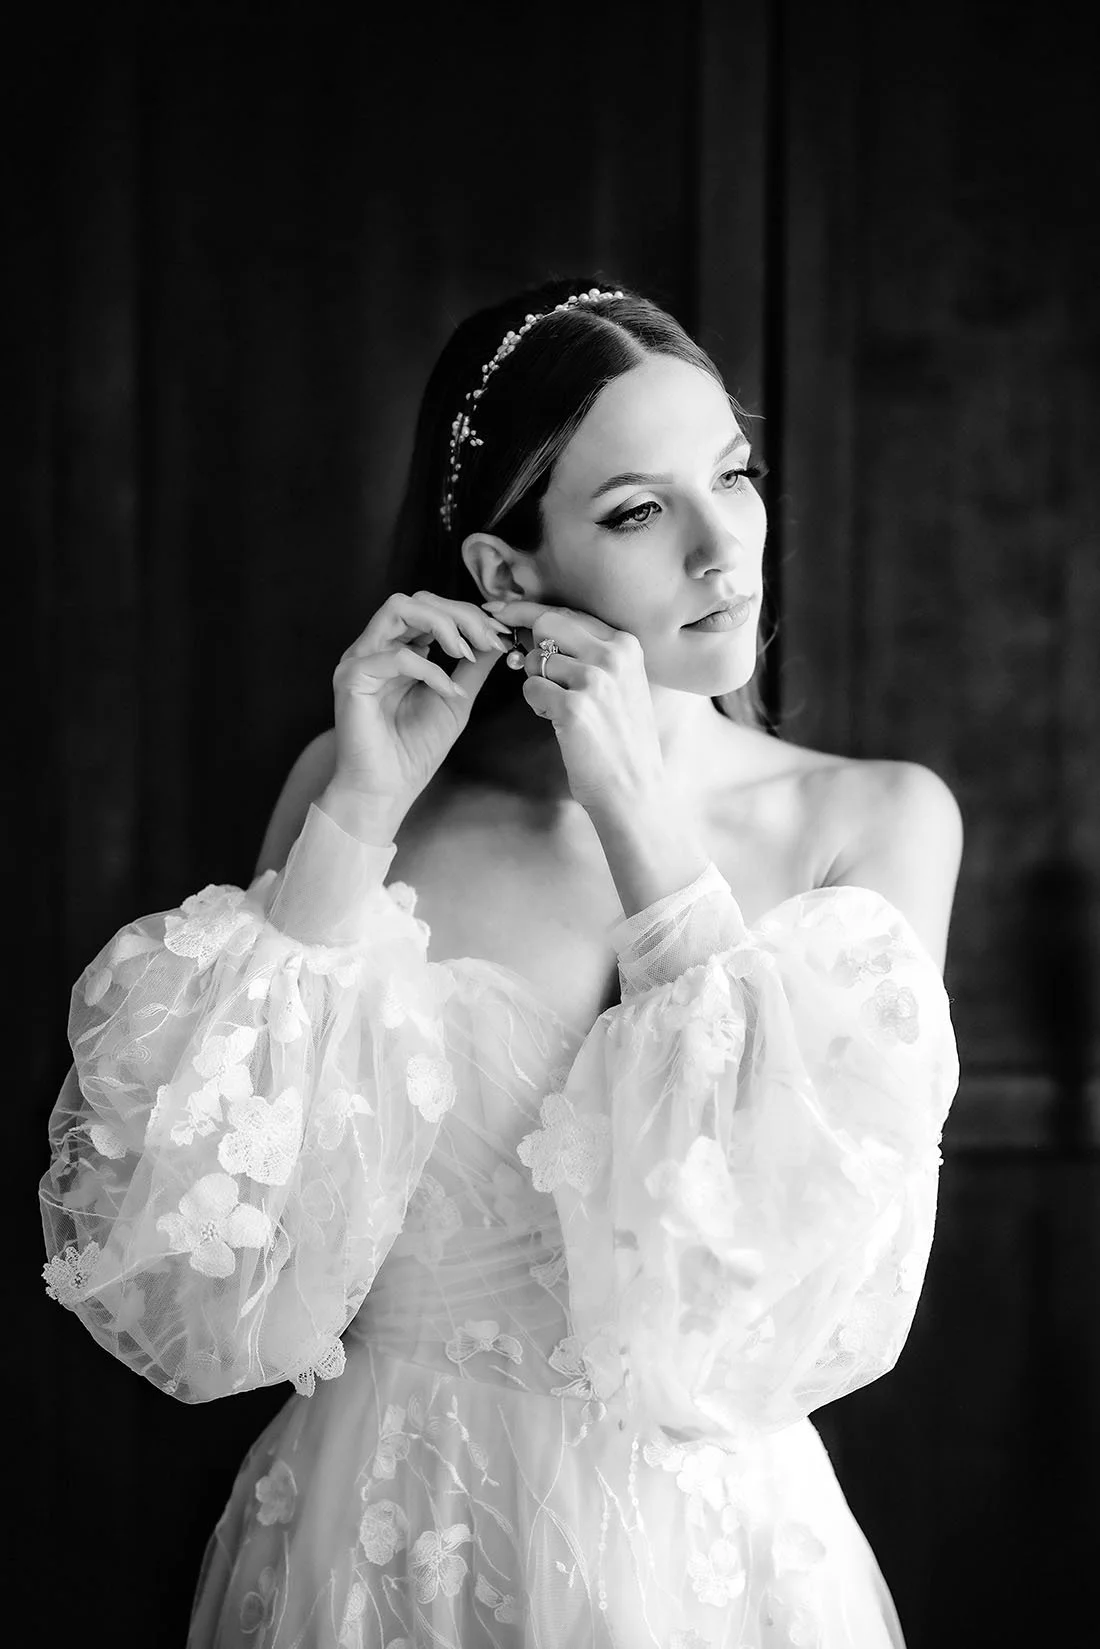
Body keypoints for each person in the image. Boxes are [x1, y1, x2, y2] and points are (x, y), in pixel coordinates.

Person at [40, 277, 964, 1648]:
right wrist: (356, 813)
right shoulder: (358, 792)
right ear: (506, 573)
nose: (729, 550)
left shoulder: (873, 822)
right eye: (643, 512)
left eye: (736, 475)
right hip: (385, 1533)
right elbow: (201, 1273)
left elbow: (796, 1305)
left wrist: (642, 820)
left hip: (714, 1564)